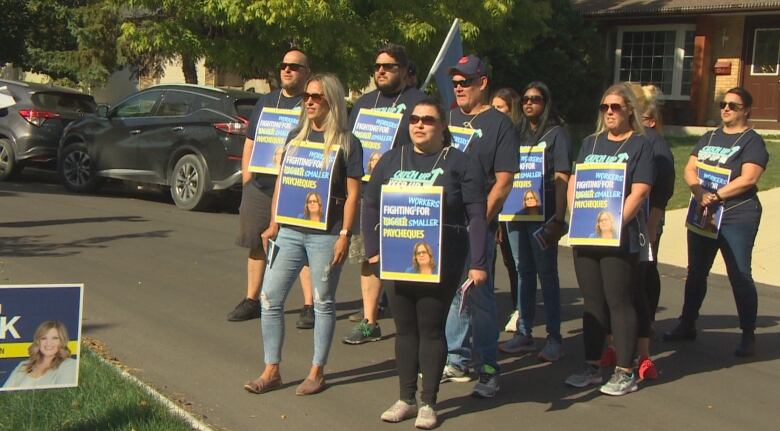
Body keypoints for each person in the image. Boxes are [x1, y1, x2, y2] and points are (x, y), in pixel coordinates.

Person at [364, 98, 487, 428]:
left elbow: (476, 214)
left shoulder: (460, 163)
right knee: (404, 330)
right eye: (414, 119)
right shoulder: (392, 159)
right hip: (396, 258)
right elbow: (371, 204)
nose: (419, 125)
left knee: (430, 329)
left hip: (443, 260)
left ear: (442, 126)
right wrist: (373, 251)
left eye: (428, 120)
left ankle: (429, 402)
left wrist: (479, 262)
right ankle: (405, 398)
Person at [243, 73, 363, 396]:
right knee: (269, 299)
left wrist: (345, 235)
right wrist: (273, 223)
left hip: (327, 234)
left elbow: (353, 194)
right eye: (306, 97)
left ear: (332, 101)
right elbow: (283, 182)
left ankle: (317, 371)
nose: (309, 102)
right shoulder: (295, 135)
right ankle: (272, 370)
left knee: (323, 302)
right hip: (290, 230)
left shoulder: (348, 143)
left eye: (316, 97)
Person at [663, 87, 769, 357]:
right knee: (696, 271)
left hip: (737, 214)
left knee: (740, 274)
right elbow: (690, 167)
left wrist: (717, 195)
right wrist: (699, 192)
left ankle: (748, 334)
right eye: (723, 104)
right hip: (704, 212)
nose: (726, 109)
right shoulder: (709, 136)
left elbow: (749, 178)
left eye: (733, 105)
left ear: (746, 110)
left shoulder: (751, 141)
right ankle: (687, 324)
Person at [564, 83, 653, 396]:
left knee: (619, 301)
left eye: (616, 107)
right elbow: (575, 182)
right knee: (592, 303)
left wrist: (614, 224)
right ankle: (591, 364)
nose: (610, 112)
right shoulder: (589, 143)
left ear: (629, 109)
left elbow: (640, 192)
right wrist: (578, 216)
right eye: (605, 107)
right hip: (587, 236)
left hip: (619, 237)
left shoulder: (640, 145)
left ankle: (625, 370)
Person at [442, 55, 519, 399]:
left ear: (483, 83)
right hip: (443, 224)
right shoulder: (447, 117)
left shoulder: (500, 125)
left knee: (481, 299)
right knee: (452, 294)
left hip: (478, 226)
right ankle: (456, 359)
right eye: (455, 83)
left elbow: (503, 183)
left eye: (465, 83)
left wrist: (477, 223)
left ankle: (489, 367)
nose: (458, 89)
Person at [343, 43, 427, 345]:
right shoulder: (364, 103)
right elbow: (350, 148)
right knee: (369, 257)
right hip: (369, 194)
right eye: (377, 66)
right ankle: (370, 320)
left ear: (404, 71)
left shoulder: (419, 102)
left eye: (389, 66)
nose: (381, 71)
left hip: (406, 194)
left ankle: (414, 324)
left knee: (409, 259)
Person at [229, 48, 317, 331]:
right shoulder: (266, 102)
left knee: (301, 245)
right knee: (256, 244)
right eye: (283, 66)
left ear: (306, 73)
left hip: (296, 186)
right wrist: (247, 180)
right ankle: (251, 300)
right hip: (260, 186)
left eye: (294, 66)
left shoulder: (312, 104)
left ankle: (309, 306)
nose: (287, 70)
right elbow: (251, 142)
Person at [601, 83, 675, 379]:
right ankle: (613, 344)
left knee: (637, 290)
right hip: (610, 227)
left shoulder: (653, 144)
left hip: (641, 226)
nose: (613, 112)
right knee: (614, 291)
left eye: (621, 107)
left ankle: (642, 355)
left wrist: (652, 225)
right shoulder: (614, 141)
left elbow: (661, 191)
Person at [499, 82, 571, 362]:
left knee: (547, 274)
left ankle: (554, 337)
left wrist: (559, 218)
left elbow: (563, 177)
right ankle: (524, 332)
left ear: (546, 103)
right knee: (522, 271)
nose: (529, 103)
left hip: (543, 216)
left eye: (536, 100)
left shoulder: (557, 135)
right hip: (515, 214)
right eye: (526, 99)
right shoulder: (515, 134)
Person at [489, 87, 521, 333]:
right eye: (494, 107)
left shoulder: (515, 135)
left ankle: (519, 308)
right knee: (500, 262)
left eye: (501, 108)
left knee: (517, 263)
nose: (497, 112)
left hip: (520, 211)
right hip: (497, 213)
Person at [2, 321, 77, 389]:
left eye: (55, 338)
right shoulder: (23, 366)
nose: (48, 343)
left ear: (62, 341)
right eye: (44, 338)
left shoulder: (69, 365)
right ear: (38, 341)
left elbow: (62, 396)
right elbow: (4, 393)